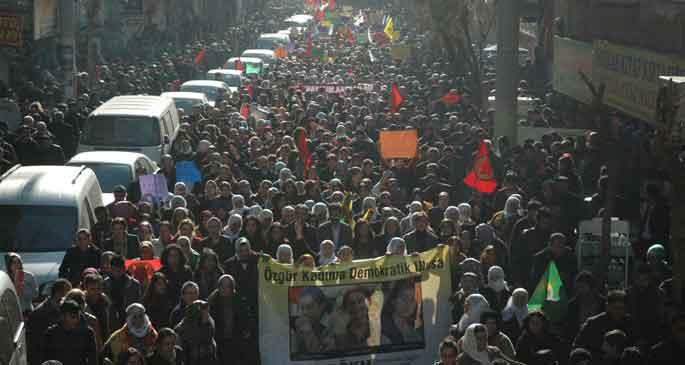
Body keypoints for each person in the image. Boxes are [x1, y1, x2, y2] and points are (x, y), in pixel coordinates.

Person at [573, 290, 634, 359]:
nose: (618, 311)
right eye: (615, 308)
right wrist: (600, 348)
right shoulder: (593, 323)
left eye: (621, 308)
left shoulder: (631, 323)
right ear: (607, 306)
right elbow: (578, 348)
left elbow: (637, 346)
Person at [27, 279, 72, 365]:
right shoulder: (40, 313)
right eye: (68, 293)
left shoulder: (62, 311)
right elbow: (34, 342)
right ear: (59, 293)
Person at [41, 300, 97, 365]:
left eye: (78, 317)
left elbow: (92, 360)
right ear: (62, 316)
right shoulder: (50, 334)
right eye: (73, 317)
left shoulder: (87, 333)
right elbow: (46, 359)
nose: (76, 320)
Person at [208, 275, 242, 365]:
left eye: (228, 286)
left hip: (234, 342)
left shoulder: (238, 301)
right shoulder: (212, 302)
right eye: (222, 286)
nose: (224, 289)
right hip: (218, 341)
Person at [104, 254, 143, 330]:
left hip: (130, 320)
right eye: (114, 270)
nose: (116, 273)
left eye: (119, 270)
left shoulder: (134, 284)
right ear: (110, 269)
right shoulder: (105, 284)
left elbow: (138, 304)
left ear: (124, 268)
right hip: (110, 320)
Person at [291, 286, 334, 355]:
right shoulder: (299, 323)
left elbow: (320, 355)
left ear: (322, 306)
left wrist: (308, 332)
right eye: (302, 308)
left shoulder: (332, 323)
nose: (304, 312)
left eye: (309, 307)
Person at [381, 278, 424, 345]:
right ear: (393, 300)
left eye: (412, 300)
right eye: (404, 297)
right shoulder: (384, 329)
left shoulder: (416, 333)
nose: (408, 304)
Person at [174, 300, 217, 365]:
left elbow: (209, 336)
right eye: (203, 310)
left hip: (207, 358)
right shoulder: (186, 324)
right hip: (190, 358)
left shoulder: (209, 322)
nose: (206, 313)